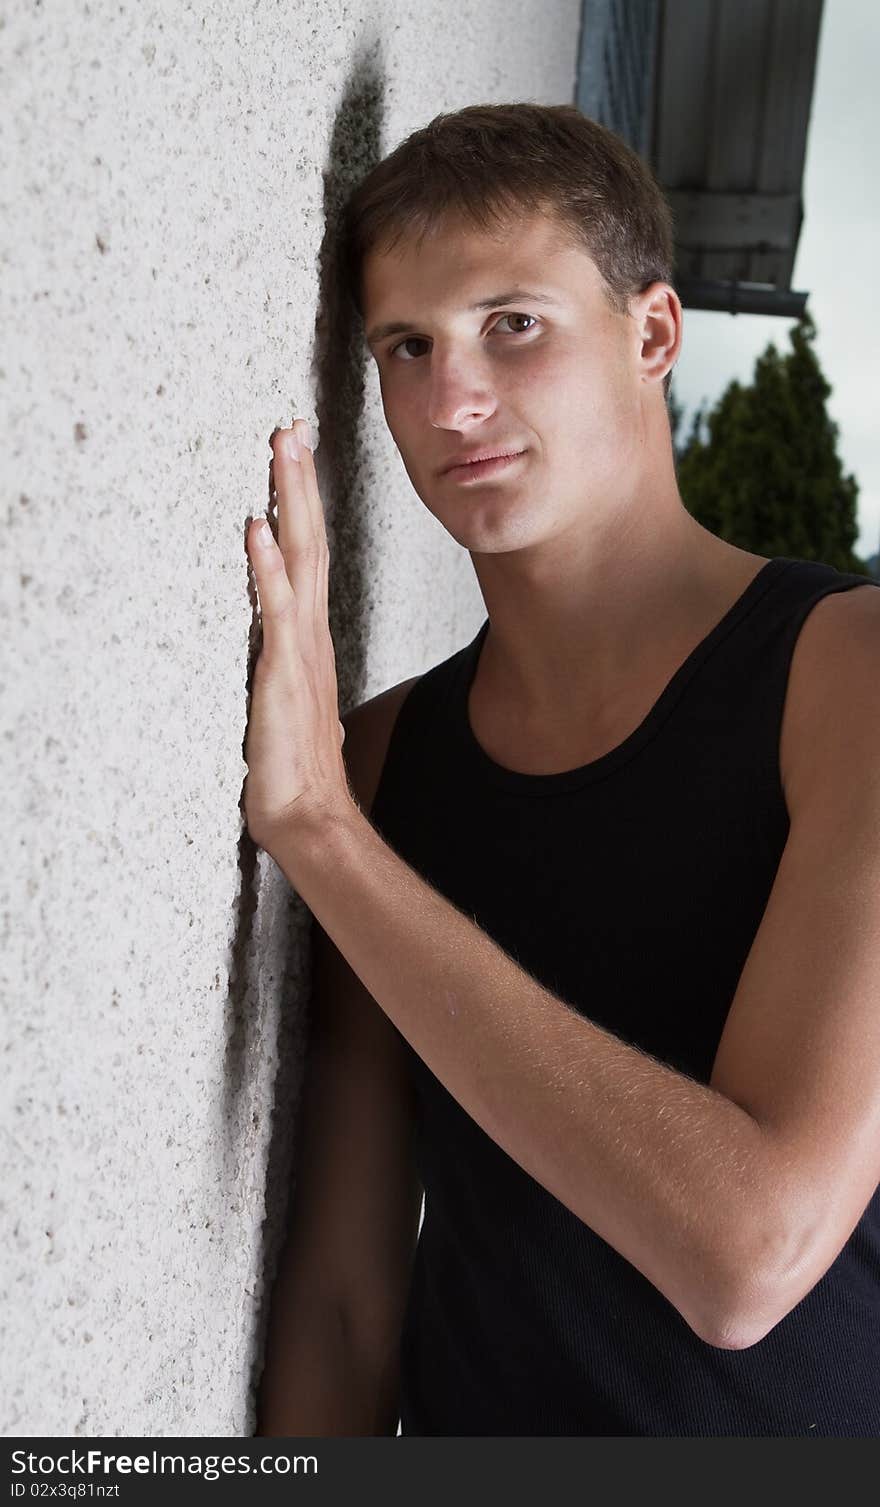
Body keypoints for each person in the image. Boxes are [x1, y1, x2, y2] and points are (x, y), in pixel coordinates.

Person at [249, 104, 880, 1437]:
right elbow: (345, 1302)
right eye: (405, 347)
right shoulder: (375, 763)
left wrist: (320, 831)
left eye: (512, 325)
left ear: (652, 333)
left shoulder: (846, 676)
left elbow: (746, 1257)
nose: (448, 400)